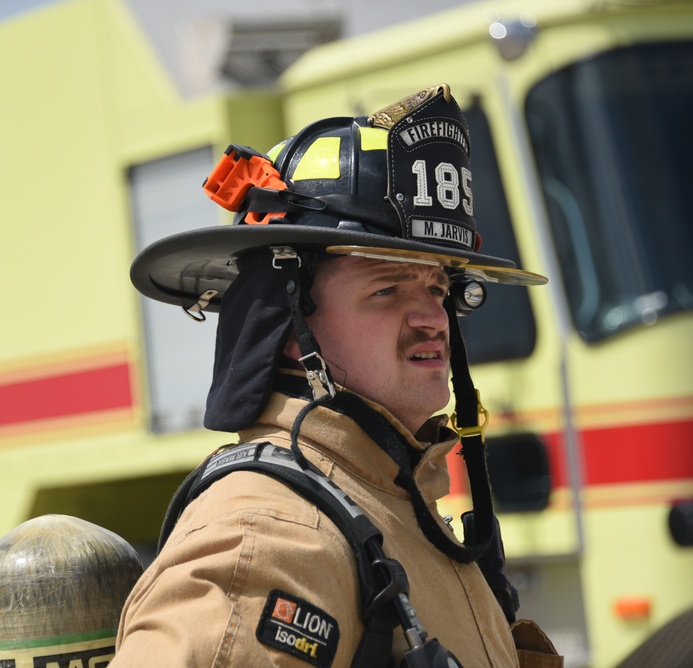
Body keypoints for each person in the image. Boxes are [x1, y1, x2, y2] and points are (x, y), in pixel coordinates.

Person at [118, 84, 562, 667]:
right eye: (387, 289)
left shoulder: (395, 505)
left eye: (437, 286)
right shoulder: (264, 542)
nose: (433, 317)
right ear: (287, 326)